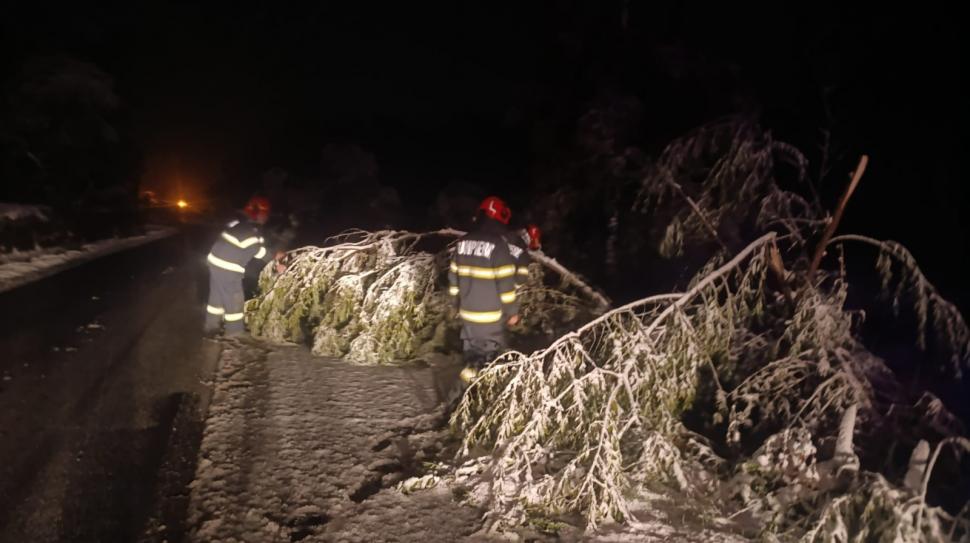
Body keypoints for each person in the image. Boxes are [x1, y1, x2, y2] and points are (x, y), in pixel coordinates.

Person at [448, 196, 520, 383]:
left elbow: (454, 280)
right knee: (486, 364)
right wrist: (512, 312)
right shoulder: (499, 246)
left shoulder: (462, 243)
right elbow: (506, 286)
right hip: (489, 320)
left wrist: (455, 306)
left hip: (468, 317)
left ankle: (468, 394)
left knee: (473, 358)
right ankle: (460, 400)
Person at [204, 195, 285, 337]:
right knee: (235, 299)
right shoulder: (250, 229)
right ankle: (234, 333)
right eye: (264, 214)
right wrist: (275, 258)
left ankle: (211, 327)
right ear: (259, 214)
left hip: (215, 263)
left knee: (216, 297)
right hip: (227, 267)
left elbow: (253, 245)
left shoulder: (240, 223)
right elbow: (257, 250)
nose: (265, 218)